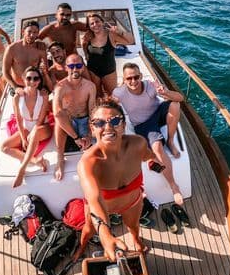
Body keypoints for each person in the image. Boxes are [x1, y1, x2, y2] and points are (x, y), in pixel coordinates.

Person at [75, 99, 161, 261]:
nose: (108, 127)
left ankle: (137, 242)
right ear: (92, 129)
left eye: (114, 121)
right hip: (102, 209)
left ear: (123, 125)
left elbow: (149, 156)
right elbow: (94, 199)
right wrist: (106, 235)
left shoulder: (138, 144)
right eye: (99, 123)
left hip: (132, 202)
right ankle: (82, 247)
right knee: (87, 230)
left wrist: (154, 162)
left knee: (134, 227)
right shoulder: (88, 163)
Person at [112, 63, 184, 205]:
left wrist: (164, 92)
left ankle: (170, 140)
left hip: (157, 114)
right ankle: (174, 187)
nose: (133, 81)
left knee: (175, 105)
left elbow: (180, 98)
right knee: (157, 149)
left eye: (136, 77)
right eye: (129, 78)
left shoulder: (151, 86)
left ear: (141, 76)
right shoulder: (119, 93)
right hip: (143, 125)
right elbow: (109, 106)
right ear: (124, 80)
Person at [1, 67, 51, 187]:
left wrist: (33, 132)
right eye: (29, 78)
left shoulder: (43, 96)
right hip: (26, 127)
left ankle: (22, 169)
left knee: (35, 133)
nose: (32, 81)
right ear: (24, 79)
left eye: (36, 78)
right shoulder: (17, 97)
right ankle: (35, 160)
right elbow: (18, 118)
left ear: (39, 81)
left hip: (42, 127)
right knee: (4, 147)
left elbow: (42, 117)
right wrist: (23, 138)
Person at [52, 54, 96, 181]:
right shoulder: (60, 87)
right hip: (68, 122)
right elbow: (57, 112)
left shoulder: (90, 86)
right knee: (59, 118)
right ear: (66, 68)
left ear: (83, 68)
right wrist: (76, 137)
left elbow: (91, 110)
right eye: (71, 66)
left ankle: (91, 152)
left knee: (100, 121)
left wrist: (88, 132)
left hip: (83, 120)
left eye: (78, 66)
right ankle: (60, 159)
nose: (75, 69)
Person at [82, 13, 133, 96]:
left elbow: (130, 41)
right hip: (93, 71)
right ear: (89, 26)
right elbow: (84, 45)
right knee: (97, 95)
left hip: (109, 72)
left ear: (102, 22)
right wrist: (86, 54)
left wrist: (119, 32)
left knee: (113, 95)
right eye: (92, 23)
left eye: (97, 21)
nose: (95, 25)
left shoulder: (111, 35)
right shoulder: (88, 37)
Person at [2, 20, 51, 94]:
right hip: (18, 86)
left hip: (35, 84)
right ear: (23, 32)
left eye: (35, 32)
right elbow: (5, 72)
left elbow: (46, 69)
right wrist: (15, 88)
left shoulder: (40, 49)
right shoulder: (11, 49)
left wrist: (43, 85)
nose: (32, 35)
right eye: (29, 32)